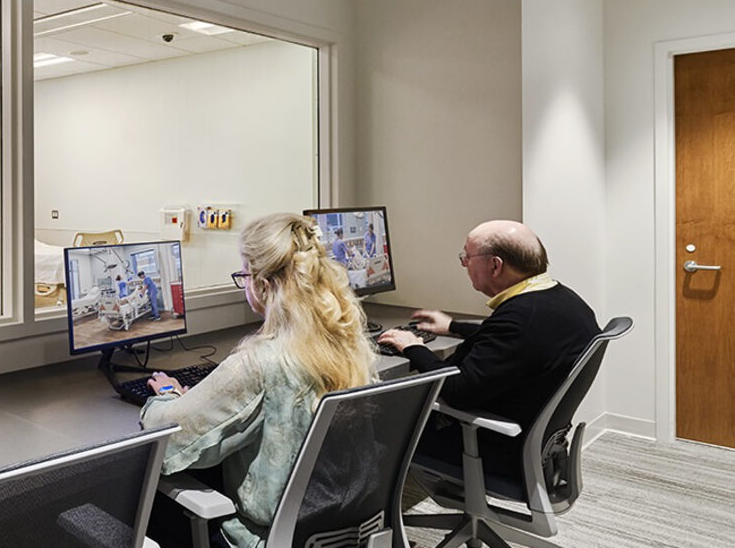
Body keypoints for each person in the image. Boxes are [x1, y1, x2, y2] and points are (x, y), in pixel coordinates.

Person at [141, 213, 378, 547]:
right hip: (341, 528)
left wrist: (167, 395)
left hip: (266, 539)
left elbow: (169, 440)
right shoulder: (349, 344)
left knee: (139, 498)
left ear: (264, 285)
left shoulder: (260, 362)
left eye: (244, 275)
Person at [377, 220, 599, 480]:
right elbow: (514, 340)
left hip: (495, 450)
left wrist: (412, 346)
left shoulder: (519, 320)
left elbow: (457, 391)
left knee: (376, 421)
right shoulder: (561, 301)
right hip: (533, 442)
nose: (464, 264)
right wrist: (453, 326)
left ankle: (369, 513)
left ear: (495, 265)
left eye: (467, 257)